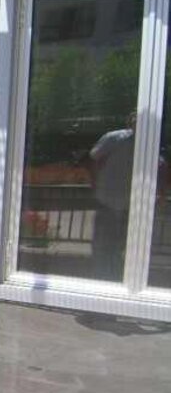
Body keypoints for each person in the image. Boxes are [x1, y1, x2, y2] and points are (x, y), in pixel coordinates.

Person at [88, 113, 135, 281]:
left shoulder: (149, 142)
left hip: (131, 204)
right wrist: (95, 183)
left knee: (122, 244)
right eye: (135, 120)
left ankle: (117, 278)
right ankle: (100, 278)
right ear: (130, 122)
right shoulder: (114, 139)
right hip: (107, 199)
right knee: (102, 243)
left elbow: (161, 166)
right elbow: (94, 159)